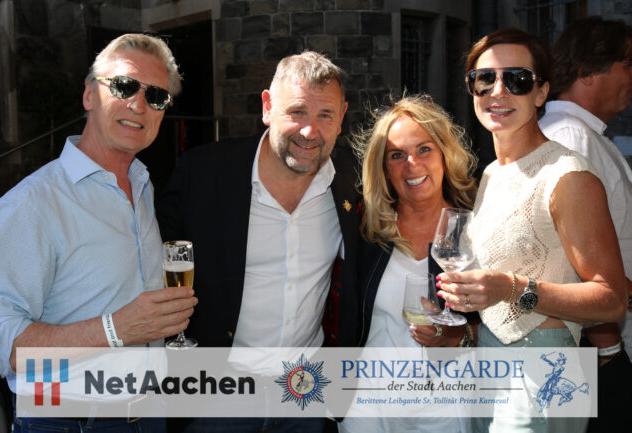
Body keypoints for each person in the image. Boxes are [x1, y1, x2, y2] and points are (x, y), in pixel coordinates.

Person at [0, 33, 197, 432]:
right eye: (124, 86)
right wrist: (114, 330)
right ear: (88, 96)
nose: (138, 105)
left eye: (156, 96)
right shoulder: (31, 205)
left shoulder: (142, 185)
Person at [156, 51, 360, 433]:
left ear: (342, 117)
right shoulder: (203, 173)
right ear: (267, 106)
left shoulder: (354, 179)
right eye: (297, 112)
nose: (309, 132)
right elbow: (150, 257)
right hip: (216, 396)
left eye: (325, 116)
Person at [436, 28, 627, 432]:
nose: (498, 91)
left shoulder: (568, 175)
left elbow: (611, 300)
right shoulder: (492, 173)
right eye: (484, 79)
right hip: (490, 367)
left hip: (546, 369)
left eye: (517, 80)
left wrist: (510, 288)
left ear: (541, 93)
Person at [337, 95, 478, 433]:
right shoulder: (366, 232)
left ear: (444, 153)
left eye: (424, 149)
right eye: (397, 155)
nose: (412, 164)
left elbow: (501, 323)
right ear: (384, 168)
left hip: (446, 405)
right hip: (369, 405)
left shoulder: (474, 229)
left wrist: (456, 336)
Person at [537, 16, 632, 432]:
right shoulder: (570, 138)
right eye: (628, 64)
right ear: (588, 71)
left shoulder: (582, 134)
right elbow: (569, 259)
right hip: (593, 351)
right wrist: (609, 350)